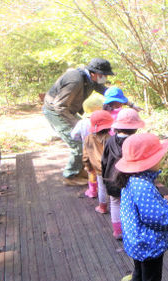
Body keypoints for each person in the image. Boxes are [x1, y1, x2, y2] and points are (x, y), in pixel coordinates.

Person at [115, 133, 168, 281]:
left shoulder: (132, 179)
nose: (162, 159)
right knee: (152, 277)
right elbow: (156, 217)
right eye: (159, 157)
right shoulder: (142, 185)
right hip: (147, 242)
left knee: (140, 271)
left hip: (136, 240)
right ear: (148, 162)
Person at [43, 58, 114, 186]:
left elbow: (104, 90)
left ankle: (80, 170)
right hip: (56, 111)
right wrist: (77, 123)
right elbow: (59, 106)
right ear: (94, 73)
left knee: (86, 136)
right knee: (77, 142)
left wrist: (127, 102)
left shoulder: (89, 78)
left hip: (66, 109)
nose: (105, 78)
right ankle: (69, 176)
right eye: (103, 75)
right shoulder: (75, 80)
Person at [101, 108, 145, 239]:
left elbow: (104, 160)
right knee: (130, 206)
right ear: (135, 128)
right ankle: (131, 229)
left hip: (111, 178)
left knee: (115, 203)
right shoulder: (136, 142)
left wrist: (105, 179)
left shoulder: (109, 140)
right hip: (128, 180)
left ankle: (118, 231)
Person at [71, 93, 105, 198]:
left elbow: (74, 135)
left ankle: (93, 191)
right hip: (102, 151)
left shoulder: (82, 123)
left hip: (88, 153)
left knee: (91, 172)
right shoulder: (104, 121)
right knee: (102, 171)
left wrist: (81, 138)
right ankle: (103, 190)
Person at [82, 110, 113, 214]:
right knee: (113, 188)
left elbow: (85, 156)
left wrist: (88, 167)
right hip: (110, 168)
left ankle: (102, 207)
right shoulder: (109, 138)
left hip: (98, 169)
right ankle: (115, 206)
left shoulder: (88, 138)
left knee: (101, 188)